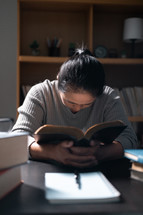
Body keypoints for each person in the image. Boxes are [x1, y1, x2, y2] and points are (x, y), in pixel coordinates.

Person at [12, 48, 138, 169]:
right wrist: (52, 152)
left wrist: (100, 153)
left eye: (86, 105)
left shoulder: (108, 97)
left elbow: (130, 139)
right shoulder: (40, 93)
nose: (77, 109)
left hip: (97, 169)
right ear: (58, 79)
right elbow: (17, 139)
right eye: (69, 102)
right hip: (45, 170)